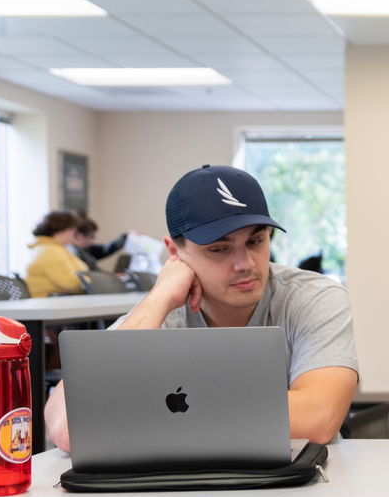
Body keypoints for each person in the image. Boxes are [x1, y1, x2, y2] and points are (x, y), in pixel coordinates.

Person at [46, 165, 359, 453]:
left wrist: (139, 415)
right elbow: (66, 427)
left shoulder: (314, 297)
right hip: (180, 492)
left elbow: (319, 418)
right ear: (174, 251)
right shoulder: (159, 313)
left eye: (255, 242)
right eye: (219, 249)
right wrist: (157, 301)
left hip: (301, 489)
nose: (245, 265)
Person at [25, 210, 87, 298]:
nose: (75, 232)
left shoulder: (50, 248)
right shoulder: (51, 251)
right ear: (62, 229)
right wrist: (93, 281)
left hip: (53, 302)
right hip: (50, 304)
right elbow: (70, 283)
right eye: (72, 228)